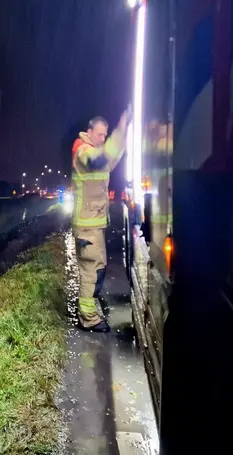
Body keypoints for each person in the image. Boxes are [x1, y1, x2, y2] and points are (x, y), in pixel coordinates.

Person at [71, 112, 129, 332]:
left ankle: (88, 310)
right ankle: (88, 318)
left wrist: (122, 136)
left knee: (98, 270)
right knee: (90, 272)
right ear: (89, 133)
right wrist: (120, 130)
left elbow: (110, 160)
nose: (103, 139)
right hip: (86, 226)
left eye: (106, 135)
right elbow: (102, 159)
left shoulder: (94, 152)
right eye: (101, 134)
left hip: (94, 224)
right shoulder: (82, 150)